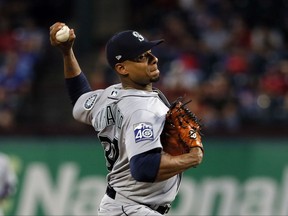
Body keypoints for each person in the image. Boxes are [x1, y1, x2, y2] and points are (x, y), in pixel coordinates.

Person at [49, 22, 204, 216]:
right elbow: (143, 168)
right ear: (122, 68)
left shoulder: (108, 95)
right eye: (142, 57)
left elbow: (79, 95)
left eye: (150, 52)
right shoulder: (142, 110)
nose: (153, 59)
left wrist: (67, 53)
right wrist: (192, 158)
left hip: (121, 206)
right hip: (133, 208)